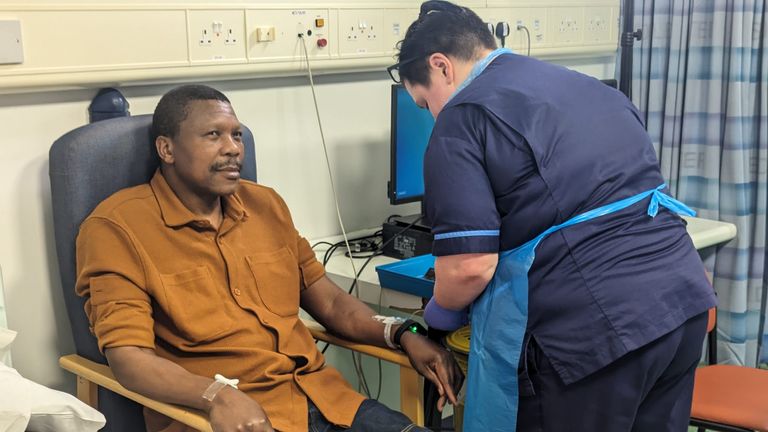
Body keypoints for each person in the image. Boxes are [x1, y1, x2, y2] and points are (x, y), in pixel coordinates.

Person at [390, 2, 716, 431]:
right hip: (680, 309)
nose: (431, 114)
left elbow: (470, 267)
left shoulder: (462, 117)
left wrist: (439, 316)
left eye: (423, 101)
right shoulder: (585, 86)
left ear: (441, 66)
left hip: (596, 337)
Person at [75, 84, 461, 432]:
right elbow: (129, 358)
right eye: (213, 135)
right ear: (167, 149)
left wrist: (402, 332)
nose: (233, 148)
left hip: (327, 400)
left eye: (237, 135)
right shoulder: (118, 228)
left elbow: (328, 300)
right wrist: (216, 396)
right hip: (224, 419)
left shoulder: (266, 205)